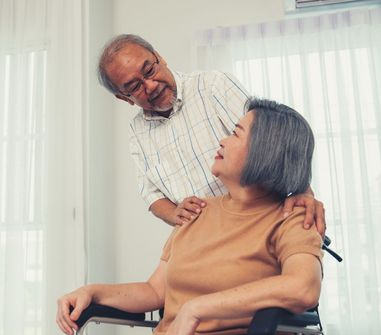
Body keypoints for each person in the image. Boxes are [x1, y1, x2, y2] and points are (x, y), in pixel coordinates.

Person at [57, 98, 323, 335]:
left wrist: (198, 308)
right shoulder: (196, 211)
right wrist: (92, 291)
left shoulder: (294, 217)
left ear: (265, 151)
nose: (222, 140)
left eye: (236, 133)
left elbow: (303, 288)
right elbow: (153, 291)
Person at [98, 34, 325, 233]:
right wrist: (174, 212)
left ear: (160, 57)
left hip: (259, 224)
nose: (151, 85)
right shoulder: (137, 132)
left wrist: (303, 190)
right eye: (134, 87)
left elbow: (271, 140)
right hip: (204, 240)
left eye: (149, 70)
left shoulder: (213, 86)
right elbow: (151, 194)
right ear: (124, 98)